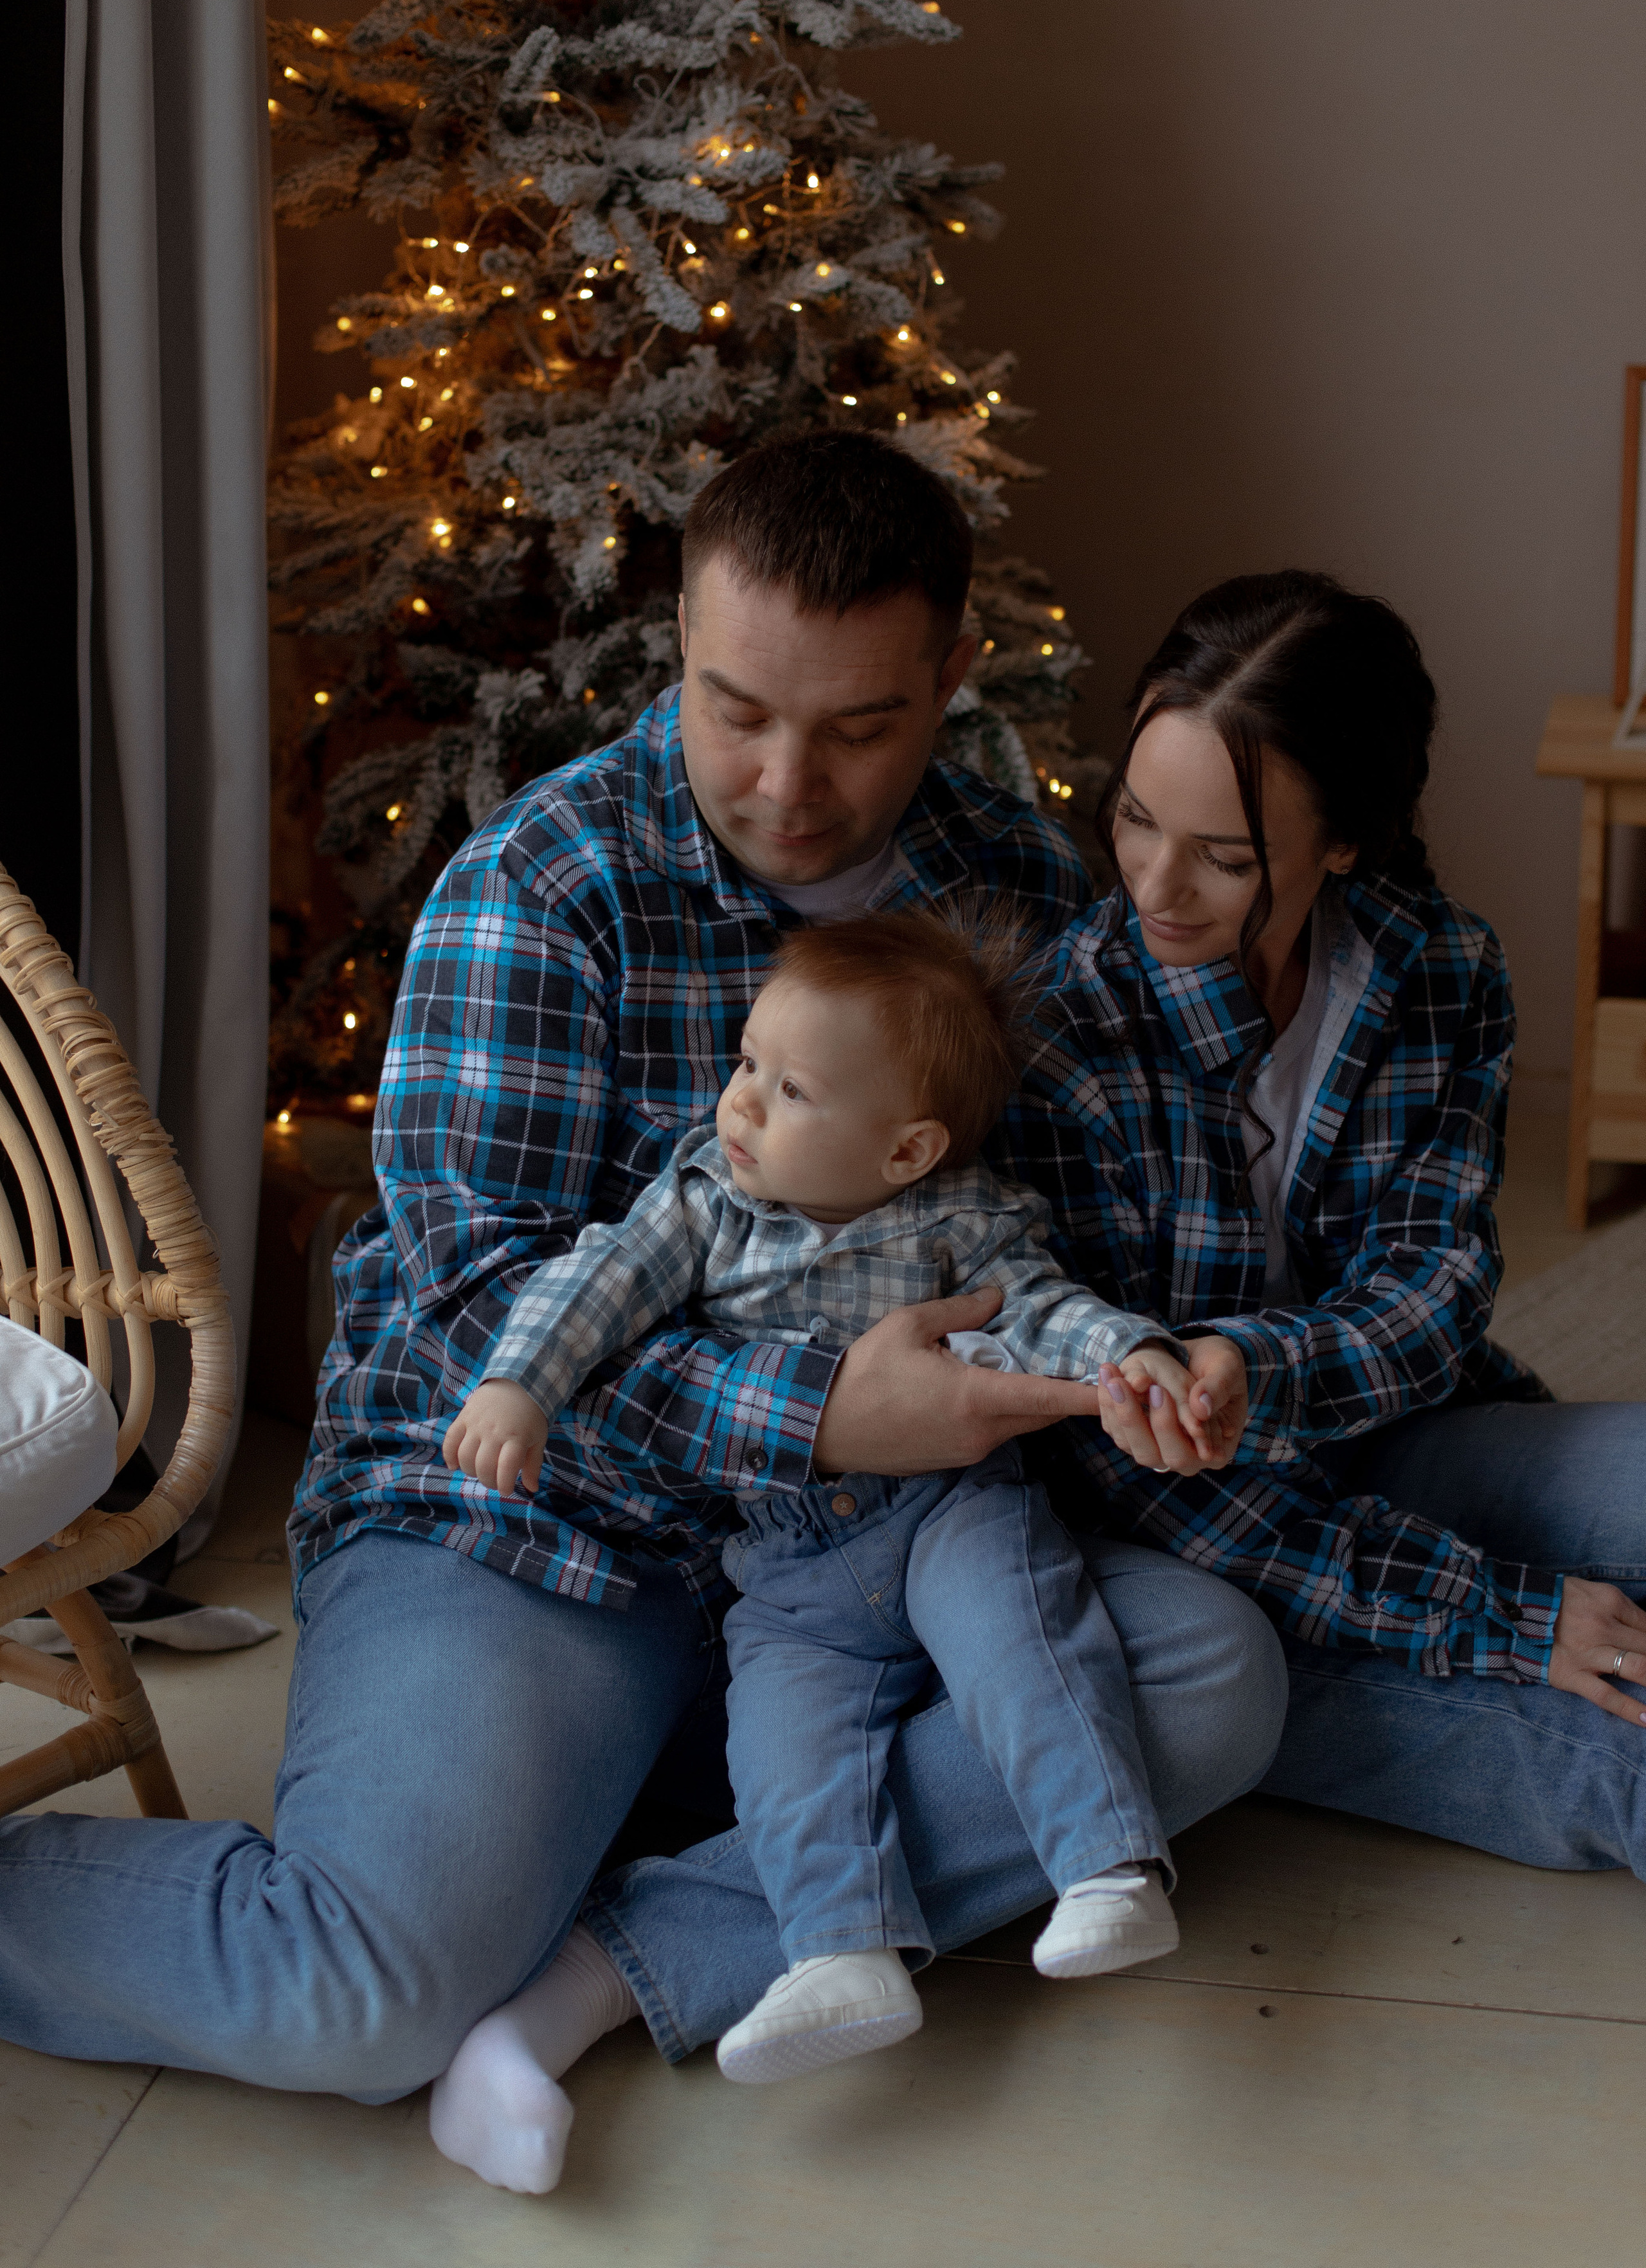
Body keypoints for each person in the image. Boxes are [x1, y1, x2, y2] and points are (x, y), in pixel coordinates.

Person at [0, 437, 1286, 2128]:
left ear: (954, 679)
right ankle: (530, 1881)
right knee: (360, 1996)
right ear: (676, 639)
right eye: (737, 706)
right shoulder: (543, 891)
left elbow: (1060, 1258)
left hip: (855, 1568)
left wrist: (1128, 1369)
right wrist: (826, 1415)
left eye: (860, 725)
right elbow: (480, 1304)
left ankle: (598, 1972)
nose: (786, 783)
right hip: (542, 1530)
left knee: (1212, 1679)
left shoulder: (1026, 900)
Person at [560, 571, 1646, 2103]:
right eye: (1130, 820)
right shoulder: (1063, 1030)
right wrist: (1490, 1614)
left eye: (1221, 856)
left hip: (1386, 1431)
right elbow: (1139, 1474)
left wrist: (1255, 1370)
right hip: (1201, 1540)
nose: (1150, 886)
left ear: (1344, 845)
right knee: (1605, 1751)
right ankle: (675, 1954)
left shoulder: (1433, 967)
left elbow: (1428, 1299)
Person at [430, 911, 1243, 2173]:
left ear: (906, 1147)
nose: (741, 1102)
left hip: (948, 1510)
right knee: (789, 1745)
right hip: (793, 1562)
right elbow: (590, 1288)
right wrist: (518, 1387)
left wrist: (1131, 1353)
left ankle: (1103, 1865)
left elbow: (1043, 1313)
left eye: (789, 1087)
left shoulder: (962, 1221)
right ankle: (841, 1949)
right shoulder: (703, 1203)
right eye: (746, 1063)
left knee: (1017, 1643)